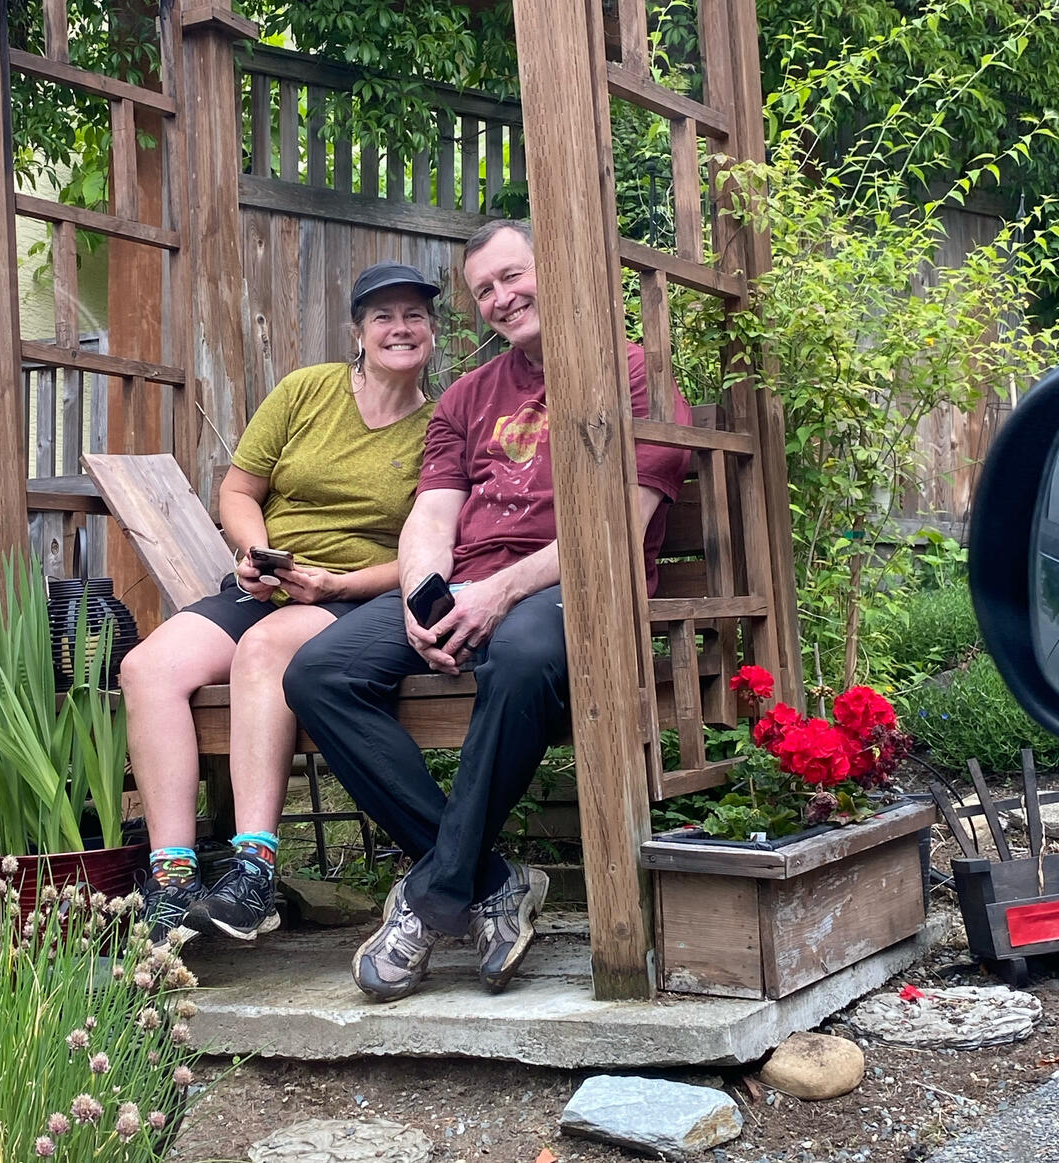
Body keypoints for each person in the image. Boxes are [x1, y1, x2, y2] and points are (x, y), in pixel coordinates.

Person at [283, 219, 692, 1001]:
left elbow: (616, 520)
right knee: (321, 671)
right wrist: (419, 594)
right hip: (471, 584)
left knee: (522, 655)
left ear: (557, 267)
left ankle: (435, 895)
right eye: (486, 290)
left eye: (514, 276)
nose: (503, 298)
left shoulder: (632, 371)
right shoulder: (469, 397)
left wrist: (502, 591)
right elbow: (432, 515)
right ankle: (493, 881)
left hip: (578, 584)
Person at [120, 262, 439, 944]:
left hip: (351, 599)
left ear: (432, 334)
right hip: (265, 580)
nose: (400, 328)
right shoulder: (305, 391)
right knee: (146, 667)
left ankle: (254, 869)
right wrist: (256, 551)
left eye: (415, 315)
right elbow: (238, 491)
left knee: (263, 651)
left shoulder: (438, 429)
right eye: (384, 315)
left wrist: (336, 582)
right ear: (358, 331)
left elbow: (427, 550)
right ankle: (172, 877)